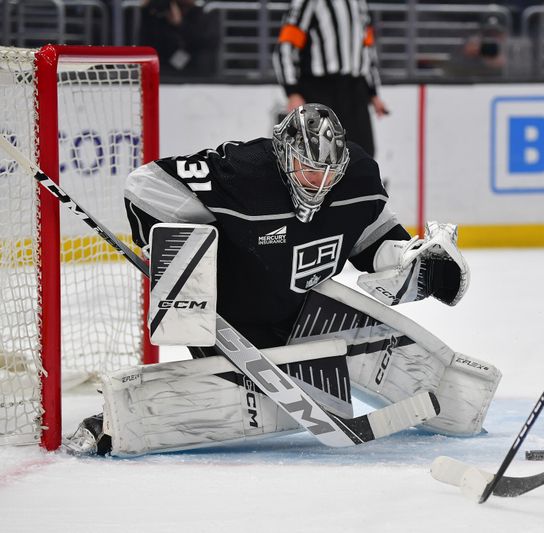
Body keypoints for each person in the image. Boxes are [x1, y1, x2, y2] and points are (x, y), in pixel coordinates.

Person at [64, 104, 500, 457]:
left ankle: (456, 402)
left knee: (325, 383)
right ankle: (115, 426)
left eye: (329, 172)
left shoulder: (359, 178)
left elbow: (374, 237)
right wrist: (188, 246)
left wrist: (409, 259)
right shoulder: (243, 171)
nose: (320, 182)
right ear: (284, 153)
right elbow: (144, 184)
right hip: (232, 317)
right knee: (254, 409)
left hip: (308, 309)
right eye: (309, 170)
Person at [272, 0, 388, 157]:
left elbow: (366, 46)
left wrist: (373, 92)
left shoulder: (359, 2)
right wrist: (292, 92)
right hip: (320, 89)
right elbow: (286, 46)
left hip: (355, 89)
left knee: (362, 156)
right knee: (321, 157)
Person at [138, 0, 219, 78]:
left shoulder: (204, 11)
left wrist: (180, 24)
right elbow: (151, 40)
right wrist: (145, 10)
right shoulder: (159, 11)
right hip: (164, 66)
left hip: (193, 67)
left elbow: (204, 41)